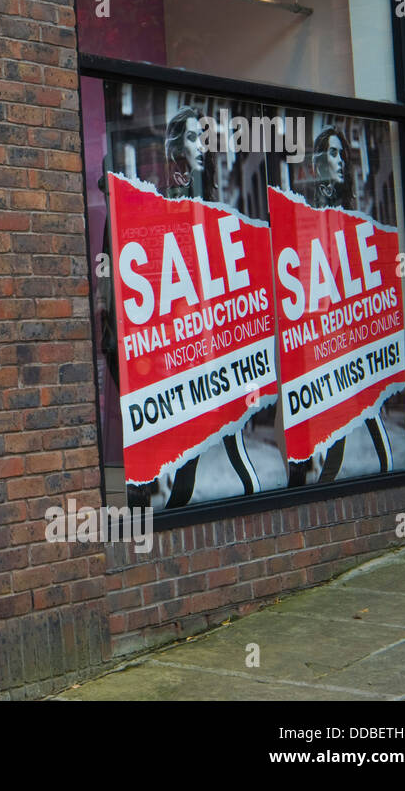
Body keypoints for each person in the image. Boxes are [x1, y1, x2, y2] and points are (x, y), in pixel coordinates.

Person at [155, 106, 261, 508]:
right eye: (192, 138)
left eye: (205, 138)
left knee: (230, 440)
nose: (202, 147)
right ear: (176, 147)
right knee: (193, 448)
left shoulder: (214, 205)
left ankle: (251, 503)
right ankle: (176, 509)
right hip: (188, 345)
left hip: (219, 341)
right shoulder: (168, 206)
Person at [286, 127, 393, 486]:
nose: (341, 162)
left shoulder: (350, 214)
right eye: (333, 154)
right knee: (347, 409)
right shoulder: (308, 211)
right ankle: (326, 481)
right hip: (324, 329)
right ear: (318, 161)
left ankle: (385, 470)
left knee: (363, 404)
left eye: (342, 154)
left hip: (350, 327)